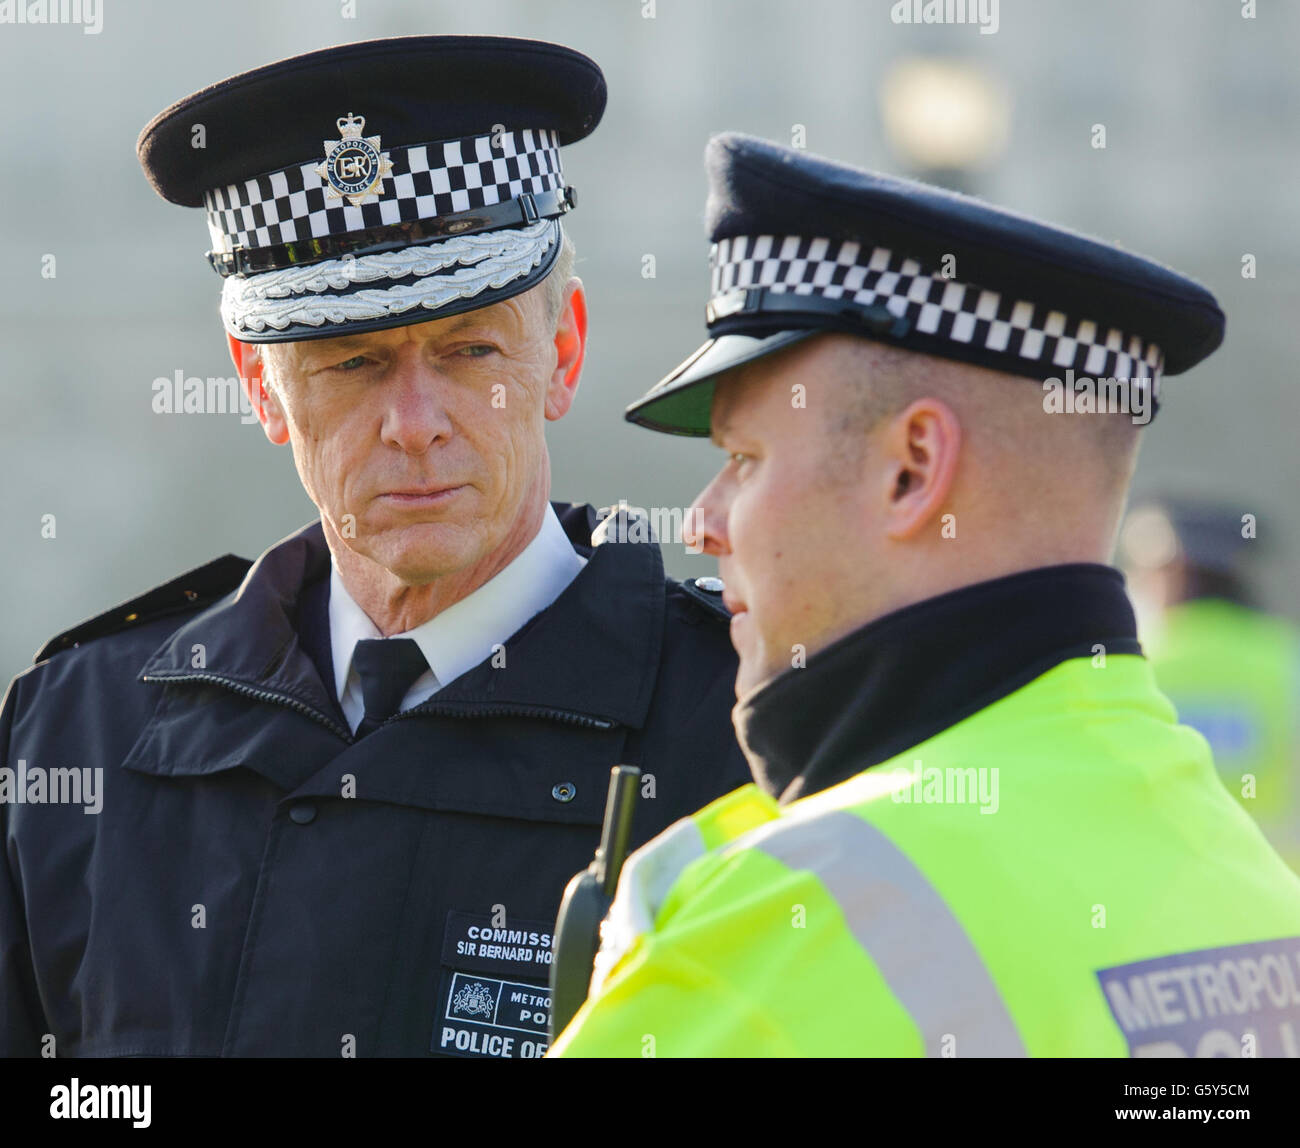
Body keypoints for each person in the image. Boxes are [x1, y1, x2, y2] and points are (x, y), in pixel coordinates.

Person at [0, 37, 749, 1059]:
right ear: (262, 389)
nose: (413, 422)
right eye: (350, 363)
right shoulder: (79, 733)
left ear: (562, 352)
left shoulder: (748, 741)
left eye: (469, 350)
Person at [550, 133, 1300, 1057]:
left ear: (912, 471)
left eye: (744, 460)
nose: (703, 523)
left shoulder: (790, 917)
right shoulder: (1250, 894)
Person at [1120, 498, 1300, 874]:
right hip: (1282, 907)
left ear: (1173, 571)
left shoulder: (1128, 669)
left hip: (1157, 913)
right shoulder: (1288, 662)